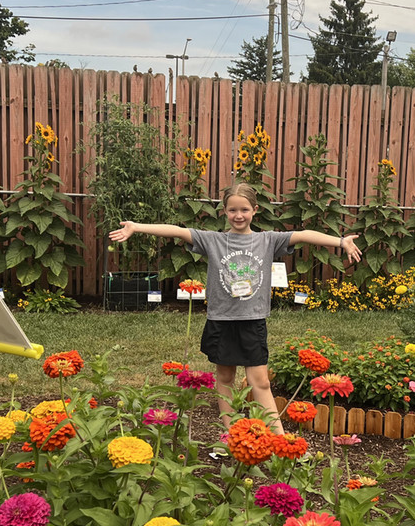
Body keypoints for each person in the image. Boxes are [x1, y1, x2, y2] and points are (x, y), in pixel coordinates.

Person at [109, 181, 361, 434]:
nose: (238, 215)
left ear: (254, 210)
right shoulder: (213, 241)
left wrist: (341, 242)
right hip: (221, 320)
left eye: (244, 210)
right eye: (232, 210)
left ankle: (279, 438)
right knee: (226, 378)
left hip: (253, 321)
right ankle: (231, 436)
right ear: (225, 212)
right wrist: (136, 227)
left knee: (260, 381)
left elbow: (305, 234)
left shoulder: (268, 240)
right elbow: (176, 231)